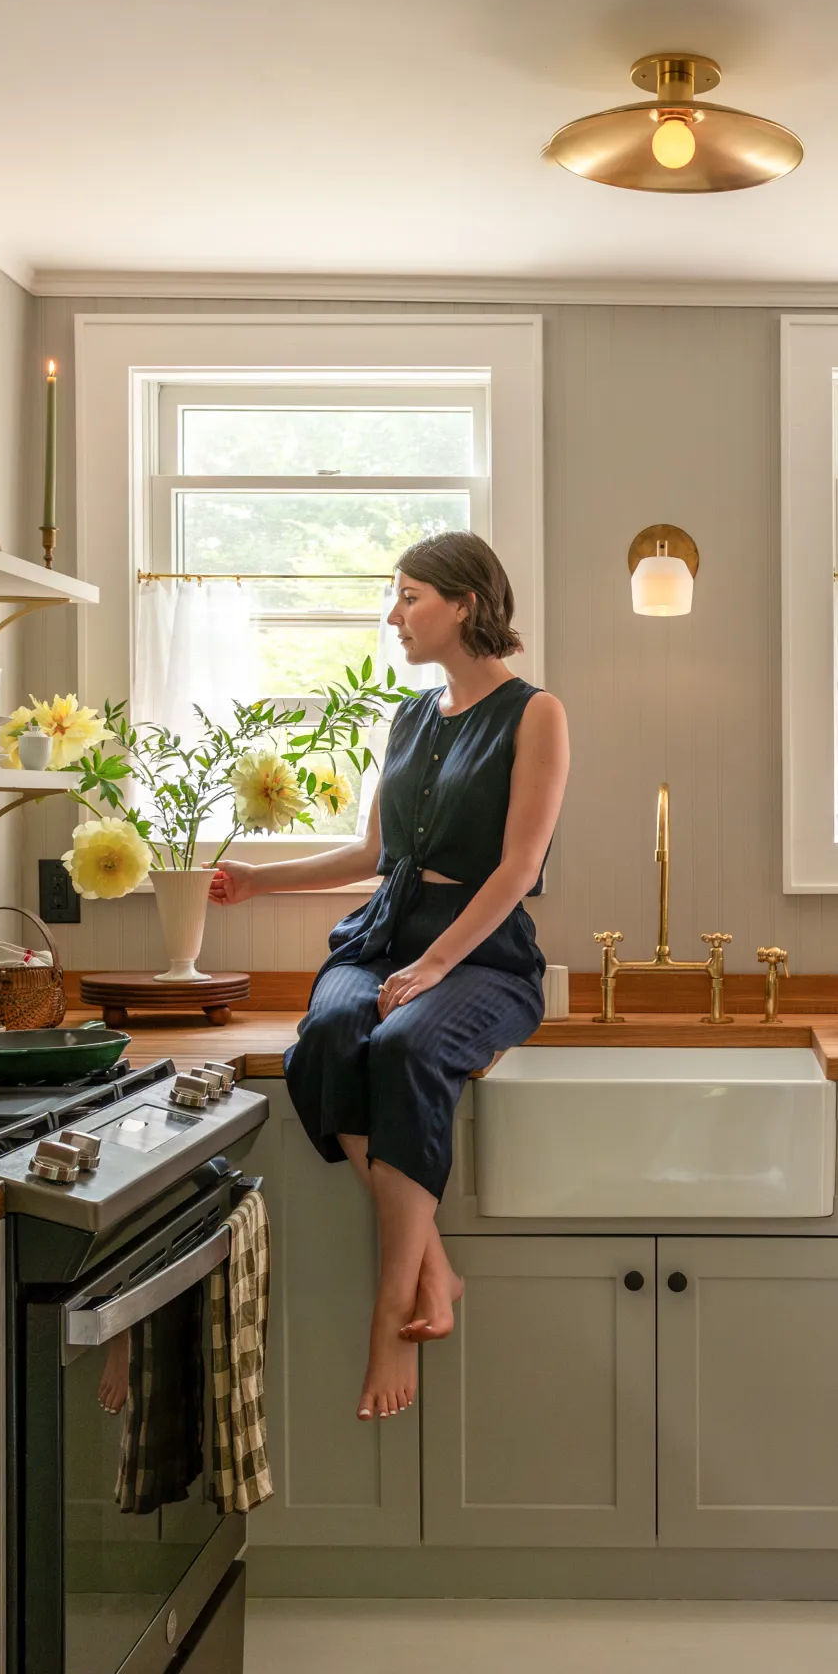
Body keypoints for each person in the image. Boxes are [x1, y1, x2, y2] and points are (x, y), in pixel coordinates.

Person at [211, 531, 569, 1422]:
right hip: (380, 933)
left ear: (466, 604)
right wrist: (261, 878)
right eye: (395, 596)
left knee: (406, 1044)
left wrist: (435, 963)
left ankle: (390, 1301)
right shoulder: (409, 717)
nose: (394, 614)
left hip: (480, 949)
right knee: (331, 1030)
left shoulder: (537, 714)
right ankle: (435, 1267)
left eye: (409, 596)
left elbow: (520, 868)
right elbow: (372, 852)